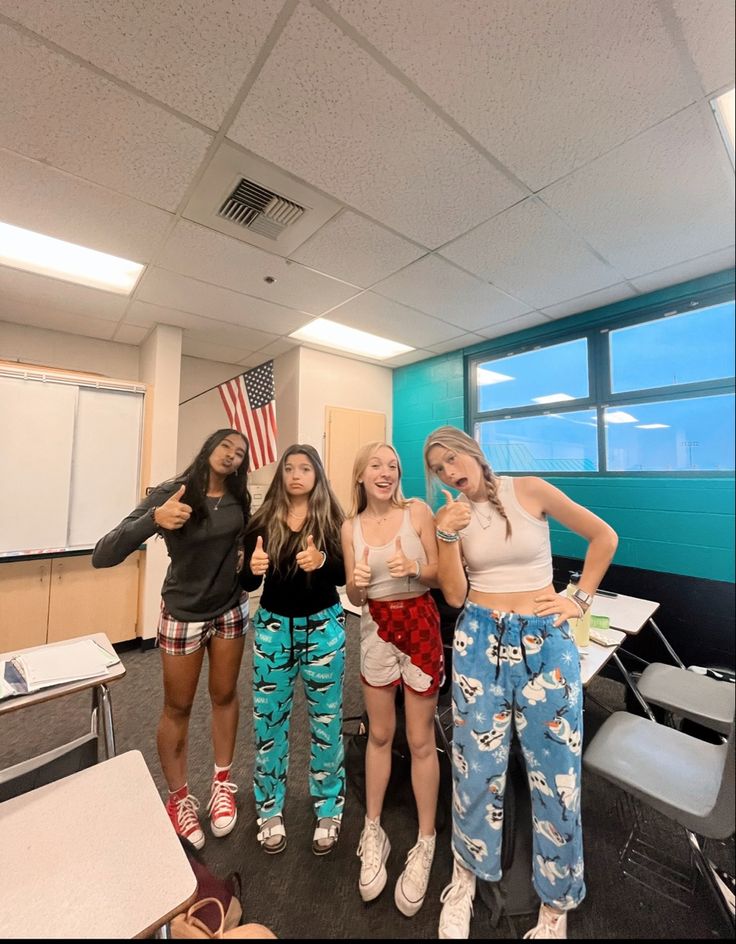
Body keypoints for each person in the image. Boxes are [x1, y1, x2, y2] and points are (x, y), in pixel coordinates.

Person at [423, 426, 618, 940]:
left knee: (556, 773)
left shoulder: (528, 488)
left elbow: (604, 536)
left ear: (472, 450)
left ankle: (556, 905)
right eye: (438, 468)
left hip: (544, 642)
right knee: (473, 766)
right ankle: (465, 877)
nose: (449, 471)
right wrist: (446, 535)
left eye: (452, 458)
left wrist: (579, 600)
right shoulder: (454, 515)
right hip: (478, 640)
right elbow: (454, 592)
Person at [92, 429, 251, 850]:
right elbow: (103, 553)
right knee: (177, 707)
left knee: (225, 696)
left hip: (231, 611)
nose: (232, 456)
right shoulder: (171, 491)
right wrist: (153, 521)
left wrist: (247, 562)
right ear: (208, 447)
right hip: (183, 615)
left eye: (240, 453)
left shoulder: (240, 499)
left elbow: (244, 549)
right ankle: (178, 799)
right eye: (225, 447)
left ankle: (221, 784)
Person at [341, 441, 442, 918]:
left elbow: (441, 575)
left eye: (393, 466)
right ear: (360, 475)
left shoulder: (417, 511)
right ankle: (373, 828)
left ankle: (425, 841)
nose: (386, 472)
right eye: (376, 465)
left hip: (420, 623)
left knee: (421, 740)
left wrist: (415, 567)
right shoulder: (349, 527)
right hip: (376, 628)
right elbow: (356, 598)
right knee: (380, 734)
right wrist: (359, 584)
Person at [240, 444, 346, 856]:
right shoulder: (262, 521)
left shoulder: (332, 519)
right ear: (281, 475)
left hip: (323, 627)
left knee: (327, 721)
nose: (296, 475)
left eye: (305, 468)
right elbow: (248, 585)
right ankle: (269, 808)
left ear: (317, 475)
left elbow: (339, 575)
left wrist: (321, 561)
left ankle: (329, 806)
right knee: (268, 722)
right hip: (273, 629)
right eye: (289, 468)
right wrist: (251, 571)